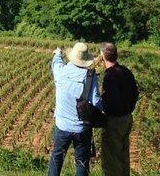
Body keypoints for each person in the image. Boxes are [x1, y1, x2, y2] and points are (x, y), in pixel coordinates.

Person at [48, 42, 102, 176]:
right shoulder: (90, 76)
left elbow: (56, 63)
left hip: (62, 126)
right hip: (82, 128)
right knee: (82, 161)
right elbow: (96, 103)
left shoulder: (61, 72)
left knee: (57, 158)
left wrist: (58, 53)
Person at [99, 42, 139, 176]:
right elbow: (135, 94)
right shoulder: (126, 71)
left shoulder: (110, 76)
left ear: (102, 57)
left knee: (111, 161)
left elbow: (112, 102)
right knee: (123, 157)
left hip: (114, 121)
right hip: (127, 118)